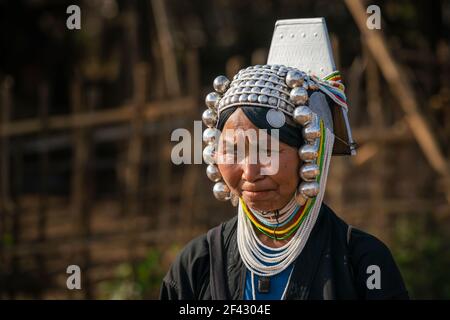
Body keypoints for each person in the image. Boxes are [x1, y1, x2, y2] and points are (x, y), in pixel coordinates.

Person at [160, 65, 409, 300]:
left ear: (310, 152)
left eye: (268, 151)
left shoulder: (363, 263)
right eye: (233, 152)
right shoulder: (195, 267)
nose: (250, 172)